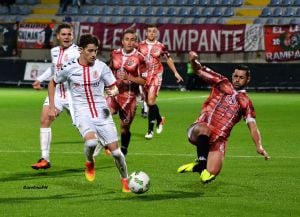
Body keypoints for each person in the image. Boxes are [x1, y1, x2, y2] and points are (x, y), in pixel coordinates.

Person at [47, 34, 130, 192]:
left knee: (117, 153)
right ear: (81, 50)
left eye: (96, 51)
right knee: (91, 142)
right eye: (90, 51)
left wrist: (113, 91)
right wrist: (52, 106)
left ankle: (125, 180)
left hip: (102, 113)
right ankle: (89, 162)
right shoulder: (69, 67)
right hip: (82, 113)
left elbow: (114, 86)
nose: (93, 54)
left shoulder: (101, 67)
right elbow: (52, 82)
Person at [177, 51, 270, 184]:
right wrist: (193, 61)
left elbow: (252, 126)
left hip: (219, 139)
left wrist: (259, 146)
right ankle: (202, 165)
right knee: (205, 128)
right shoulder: (221, 82)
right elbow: (199, 70)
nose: (237, 79)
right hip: (199, 129)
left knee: (211, 173)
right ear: (232, 75)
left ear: (248, 80)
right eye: (236, 76)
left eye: (241, 77)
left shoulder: (246, 102)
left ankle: (200, 166)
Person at [31, 23, 80, 170]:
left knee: (84, 128)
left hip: (74, 95)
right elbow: (54, 69)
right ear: (58, 36)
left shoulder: (78, 52)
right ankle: (44, 159)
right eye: (63, 34)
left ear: (73, 36)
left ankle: (105, 142)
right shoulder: (54, 51)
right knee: (44, 119)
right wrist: (40, 79)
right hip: (57, 93)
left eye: (69, 34)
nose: (66, 37)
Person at [138, 24, 183, 139]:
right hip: (144, 77)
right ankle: (159, 119)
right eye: (149, 31)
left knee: (151, 101)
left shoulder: (161, 46)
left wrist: (176, 73)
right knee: (149, 103)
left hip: (156, 76)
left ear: (156, 33)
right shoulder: (140, 46)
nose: (152, 33)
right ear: (146, 33)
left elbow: (168, 59)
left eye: (154, 31)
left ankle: (150, 131)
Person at [106, 28, 146, 156]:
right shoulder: (114, 54)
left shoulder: (140, 58)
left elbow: (144, 81)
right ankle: (108, 143)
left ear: (136, 42)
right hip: (113, 93)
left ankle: (123, 148)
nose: (129, 42)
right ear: (122, 41)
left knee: (125, 128)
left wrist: (129, 77)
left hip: (129, 96)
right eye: (127, 39)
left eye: (132, 40)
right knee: (104, 115)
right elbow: (109, 70)